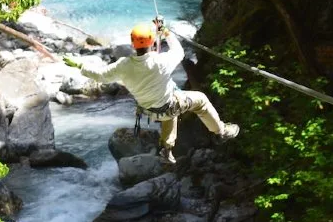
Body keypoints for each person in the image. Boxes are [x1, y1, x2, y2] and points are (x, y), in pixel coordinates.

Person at [64, 18, 239, 164]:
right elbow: (179, 51)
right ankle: (221, 131)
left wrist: (79, 65)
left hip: (150, 110)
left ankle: (166, 150)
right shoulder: (160, 61)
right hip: (168, 105)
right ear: (151, 41)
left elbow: (100, 75)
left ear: (132, 43)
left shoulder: (124, 65)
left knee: (170, 111)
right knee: (200, 100)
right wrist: (165, 32)